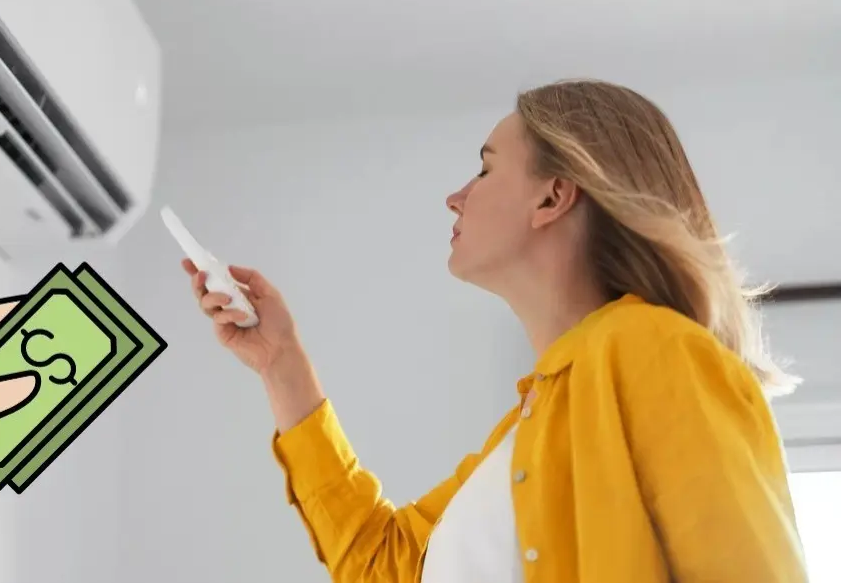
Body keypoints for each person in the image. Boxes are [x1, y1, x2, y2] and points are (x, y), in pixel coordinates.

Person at [181, 78, 808, 583]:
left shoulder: (659, 352)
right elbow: (384, 566)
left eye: (483, 170)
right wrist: (280, 363)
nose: (455, 197)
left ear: (552, 197)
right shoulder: (526, 429)